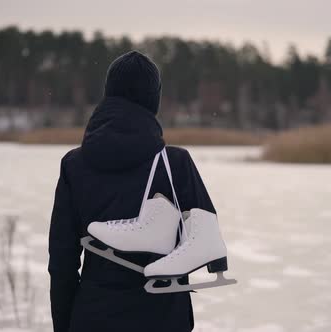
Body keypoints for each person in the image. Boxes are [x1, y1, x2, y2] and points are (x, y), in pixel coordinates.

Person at [48, 50, 216, 332]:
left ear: (108, 95)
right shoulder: (175, 164)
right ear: (154, 99)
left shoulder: (74, 166)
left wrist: (64, 326)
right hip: (163, 318)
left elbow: (62, 263)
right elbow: (202, 246)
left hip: (94, 317)